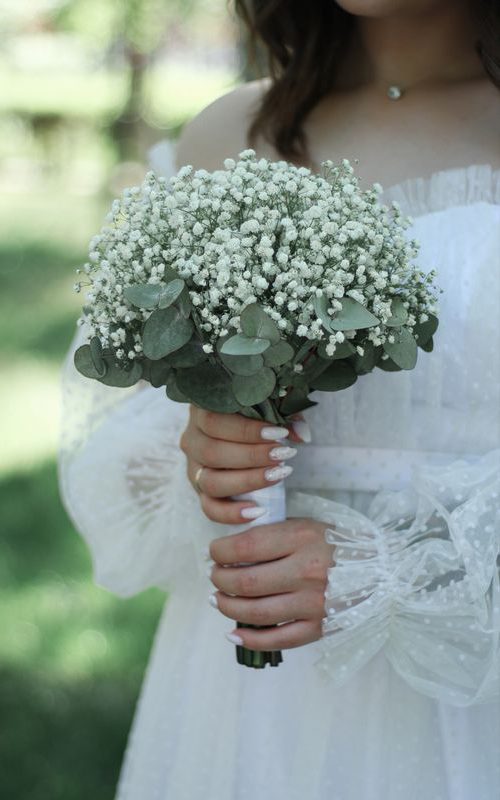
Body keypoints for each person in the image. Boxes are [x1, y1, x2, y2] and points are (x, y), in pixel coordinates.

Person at [59, 1, 500, 797]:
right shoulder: (229, 133)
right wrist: (197, 456)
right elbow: (117, 441)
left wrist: (394, 572)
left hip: (466, 704)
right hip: (243, 700)